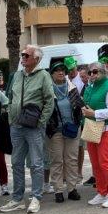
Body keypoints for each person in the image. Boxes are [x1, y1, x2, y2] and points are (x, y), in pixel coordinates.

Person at [1, 45, 55, 214]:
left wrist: (41, 122)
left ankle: (36, 197)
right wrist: (11, 118)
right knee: (16, 162)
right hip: (16, 126)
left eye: (26, 55)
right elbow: (10, 97)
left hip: (34, 127)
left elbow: (49, 101)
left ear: (36, 59)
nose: (22, 57)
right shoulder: (17, 75)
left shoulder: (44, 75)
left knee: (36, 163)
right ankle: (17, 199)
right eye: (22, 54)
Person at [81, 57, 108, 208]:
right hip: (92, 127)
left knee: (104, 161)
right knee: (95, 162)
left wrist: (94, 113)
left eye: (95, 72)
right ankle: (102, 192)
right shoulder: (90, 87)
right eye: (90, 72)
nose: (92, 74)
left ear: (103, 72)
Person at [45, 61, 83, 203]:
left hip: (72, 129)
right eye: (57, 70)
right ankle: (58, 190)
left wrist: (78, 120)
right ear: (52, 74)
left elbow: (79, 105)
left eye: (63, 70)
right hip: (55, 131)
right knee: (57, 161)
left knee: (71, 160)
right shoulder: (47, 89)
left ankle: (72, 189)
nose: (61, 72)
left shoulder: (72, 88)